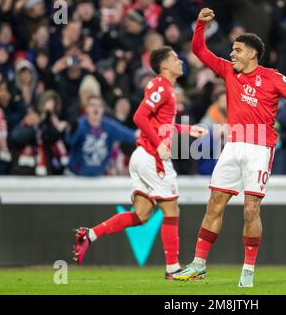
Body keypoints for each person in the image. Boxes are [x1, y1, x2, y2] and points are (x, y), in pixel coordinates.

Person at [173, 8, 286, 287]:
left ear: (252, 53)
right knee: (214, 204)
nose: (232, 54)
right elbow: (199, 51)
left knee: (250, 210)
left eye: (237, 50)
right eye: (232, 50)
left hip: (259, 149)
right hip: (233, 146)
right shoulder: (228, 71)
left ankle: (248, 270)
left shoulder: (273, 77)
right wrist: (200, 24)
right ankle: (198, 264)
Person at [72, 46, 208, 279]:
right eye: (175, 58)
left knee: (143, 214)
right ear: (164, 64)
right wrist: (159, 144)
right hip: (151, 157)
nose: (181, 61)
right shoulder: (162, 87)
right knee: (171, 209)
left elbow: (159, 122)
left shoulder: (164, 87)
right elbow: (139, 117)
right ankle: (173, 268)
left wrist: (186, 130)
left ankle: (90, 234)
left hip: (141, 156)